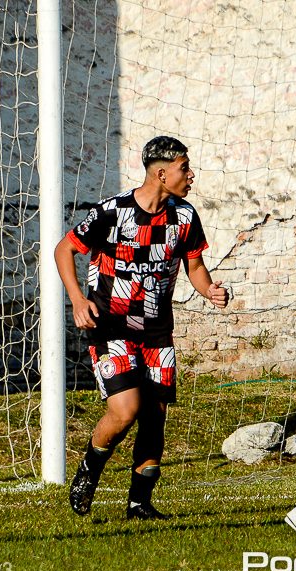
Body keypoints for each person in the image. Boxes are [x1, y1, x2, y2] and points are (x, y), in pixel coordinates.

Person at [56, 136, 228, 520]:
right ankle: (89, 470)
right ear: (162, 173)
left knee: (154, 414)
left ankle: (139, 503)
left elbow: (195, 266)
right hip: (111, 326)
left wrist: (209, 290)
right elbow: (63, 249)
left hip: (156, 332)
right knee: (125, 410)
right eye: (185, 168)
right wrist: (77, 299)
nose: (191, 175)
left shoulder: (185, 216)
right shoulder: (112, 211)